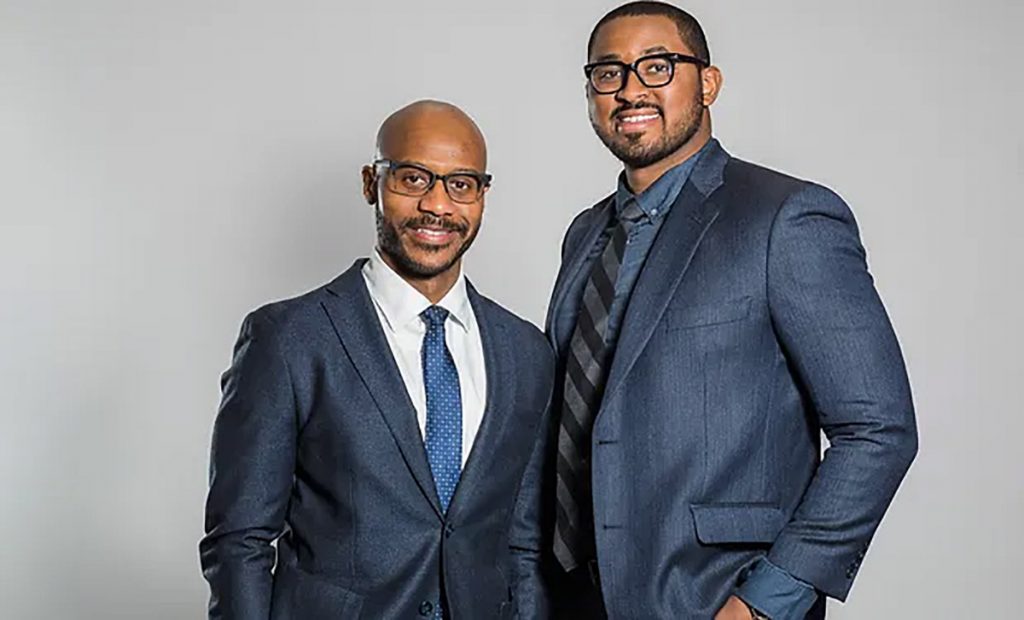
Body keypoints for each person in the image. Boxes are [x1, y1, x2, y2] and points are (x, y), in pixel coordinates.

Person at [537, 3, 919, 618]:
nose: (631, 88)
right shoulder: (585, 234)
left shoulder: (787, 218)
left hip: (714, 596)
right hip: (578, 599)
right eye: (609, 73)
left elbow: (878, 430)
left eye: (657, 66)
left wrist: (767, 600)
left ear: (707, 83)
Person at [199, 100, 554, 619]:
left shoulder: (525, 352)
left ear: (481, 195)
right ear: (371, 183)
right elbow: (239, 542)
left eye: (461, 184)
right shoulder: (288, 339)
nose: (438, 205)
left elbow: (523, 544)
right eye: (413, 179)